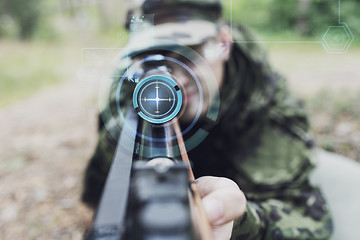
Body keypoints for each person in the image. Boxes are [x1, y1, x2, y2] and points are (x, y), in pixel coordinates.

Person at [82, 0, 333, 239]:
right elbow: (97, 191)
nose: (174, 82)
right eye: (155, 58)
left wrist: (239, 223)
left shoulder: (264, 104)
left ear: (223, 43)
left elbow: (309, 217)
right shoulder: (132, 91)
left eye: (186, 55)